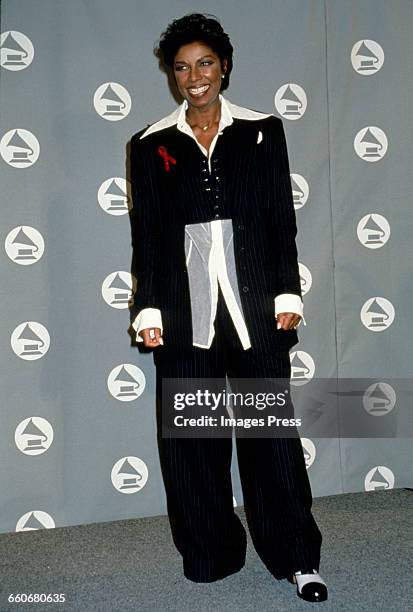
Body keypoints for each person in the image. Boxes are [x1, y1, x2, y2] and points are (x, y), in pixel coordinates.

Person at [129, 13, 328, 603]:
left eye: (205, 63)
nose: (195, 77)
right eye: (183, 67)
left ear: (224, 67)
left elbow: (278, 220)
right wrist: (148, 306)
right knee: (192, 441)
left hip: (255, 303)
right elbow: (150, 235)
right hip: (183, 308)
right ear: (173, 75)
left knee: (270, 435)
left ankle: (296, 556)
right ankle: (211, 549)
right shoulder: (149, 144)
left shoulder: (263, 129)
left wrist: (287, 292)